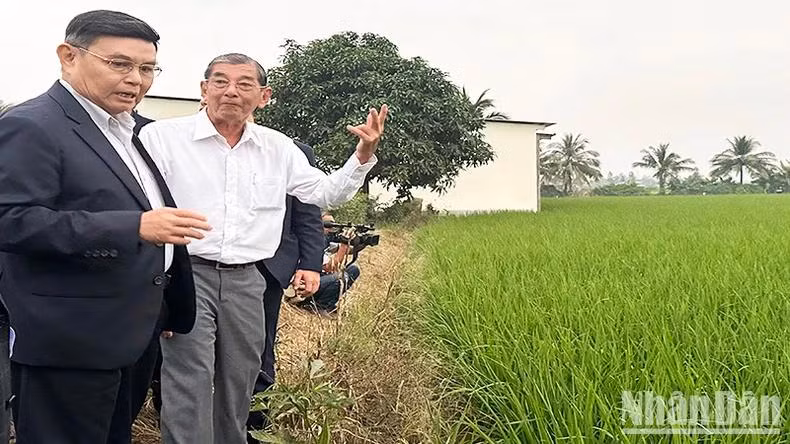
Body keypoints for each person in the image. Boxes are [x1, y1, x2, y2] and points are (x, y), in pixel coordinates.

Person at [138, 53, 388, 444]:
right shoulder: (162, 139)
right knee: (189, 377)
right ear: (203, 90)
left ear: (264, 96)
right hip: (187, 274)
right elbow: (140, 206)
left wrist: (362, 156)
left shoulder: (278, 147)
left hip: (247, 281)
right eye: (220, 82)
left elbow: (324, 193)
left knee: (241, 376)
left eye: (244, 84)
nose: (231, 92)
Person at [0, 10, 209, 443]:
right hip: (70, 338)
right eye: (119, 64)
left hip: (131, 332)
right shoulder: (33, 125)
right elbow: (11, 221)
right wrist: (131, 226)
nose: (136, 79)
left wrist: (164, 303)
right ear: (68, 56)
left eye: (148, 68)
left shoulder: (133, 131)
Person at [292, 212, 362, 313]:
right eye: (327, 224)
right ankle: (318, 305)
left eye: (333, 225)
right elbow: (331, 267)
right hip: (304, 287)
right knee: (341, 276)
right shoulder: (312, 242)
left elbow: (349, 250)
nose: (330, 228)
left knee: (353, 269)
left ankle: (326, 304)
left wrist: (360, 242)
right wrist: (343, 245)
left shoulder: (324, 240)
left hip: (313, 281)